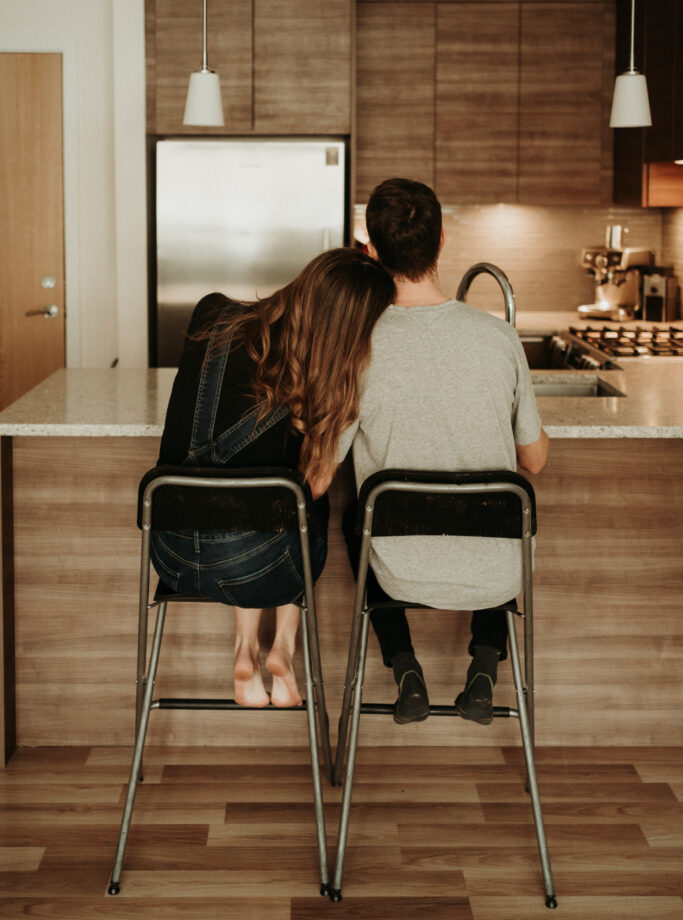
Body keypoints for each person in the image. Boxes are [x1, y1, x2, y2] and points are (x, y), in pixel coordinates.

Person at [336, 178, 549, 725]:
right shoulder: (500, 337)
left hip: (396, 575)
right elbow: (535, 462)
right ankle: (484, 661)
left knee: (350, 512)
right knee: (500, 506)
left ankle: (405, 666)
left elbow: (321, 470)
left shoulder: (356, 343)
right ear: (442, 241)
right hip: (498, 576)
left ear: (372, 251)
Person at [152, 248, 394, 709]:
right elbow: (316, 488)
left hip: (171, 555)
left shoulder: (213, 311)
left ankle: (245, 648)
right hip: (257, 567)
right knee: (302, 501)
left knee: (257, 502)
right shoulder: (331, 384)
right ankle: (282, 646)